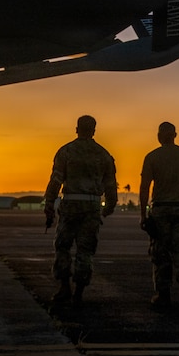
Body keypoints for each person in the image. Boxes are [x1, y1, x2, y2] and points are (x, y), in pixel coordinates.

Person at [43, 114, 118, 305]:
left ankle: (64, 287)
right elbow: (110, 185)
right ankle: (79, 293)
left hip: (70, 205)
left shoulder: (66, 151)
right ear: (94, 130)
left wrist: (49, 203)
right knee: (85, 250)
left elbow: (56, 180)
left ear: (76, 129)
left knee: (63, 246)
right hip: (92, 206)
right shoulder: (103, 154)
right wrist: (109, 206)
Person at [139, 121, 179, 311]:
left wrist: (143, 214)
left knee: (161, 252)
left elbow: (144, 188)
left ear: (159, 136)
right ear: (175, 135)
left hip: (161, 210)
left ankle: (163, 295)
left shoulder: (152, 157)